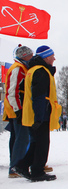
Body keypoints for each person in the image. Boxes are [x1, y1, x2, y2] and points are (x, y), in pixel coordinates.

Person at [15, 45, 62, 181]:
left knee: (36, 142)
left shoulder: (32, 70)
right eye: (52, 56)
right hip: (40, 114)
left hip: (34, 113)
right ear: (46, 57)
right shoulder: (41, 72)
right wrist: (39, 117)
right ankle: (37, 171)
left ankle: (22, 166)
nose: (54, 58)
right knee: (42, 144)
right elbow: (40, 96)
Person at [3, 45, 33, 178]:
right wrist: (18, 109)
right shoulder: (18, 69)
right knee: (22, 138)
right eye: (30, 55)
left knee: (17, 138)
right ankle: (16, 166)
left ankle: (15, 165)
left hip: (15, 108)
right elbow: (12, 91)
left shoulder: (22, 68)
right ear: (24, 56)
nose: (32, 57)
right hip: (17, 108)